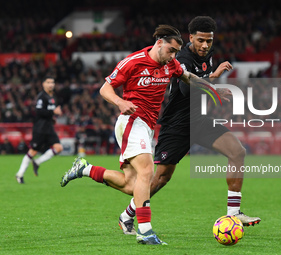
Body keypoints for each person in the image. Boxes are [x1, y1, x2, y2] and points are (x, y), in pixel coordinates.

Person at [60, 24, 230, 245]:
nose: (173, 56)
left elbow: (189, 78)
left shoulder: (171, 63)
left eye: (176, 53)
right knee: (148, 172)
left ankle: (85, 168)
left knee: (131, 185)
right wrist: (121, 102)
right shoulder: (134, 61)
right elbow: (105, 89)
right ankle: (145, 231)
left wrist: (213, 88)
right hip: (132, 121)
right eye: (170, 50)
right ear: (159, 43)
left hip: (147, 126)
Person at [118, 16, 261, 235]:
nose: (205, 45)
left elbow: (202, 82)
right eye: (201, 40)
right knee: (161, 178)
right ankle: (127, 215)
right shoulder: (181, 57)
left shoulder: (207, 55)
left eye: (209, 41)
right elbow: (187, 89)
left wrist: (213, 86)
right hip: (178, 124)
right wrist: (214, 78)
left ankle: (234, 213)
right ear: (191, 37)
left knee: (237, 152)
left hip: (200, 121)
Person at [16, 76, 63, 184]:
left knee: (59, 148)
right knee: (32, 151)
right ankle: (19, 174)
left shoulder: (53, 97)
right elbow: (38, 111)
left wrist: (52, 119)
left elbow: (48, 112)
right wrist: (53, 113)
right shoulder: (42, 97)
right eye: (48, 82)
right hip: (40, 129)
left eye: (52, 82)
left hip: (49, 128)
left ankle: (37, 162)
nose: (51, 84)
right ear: (43, 84)